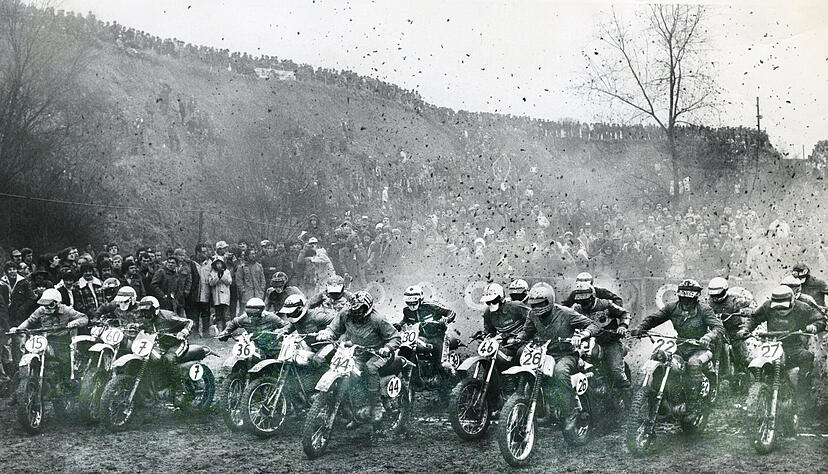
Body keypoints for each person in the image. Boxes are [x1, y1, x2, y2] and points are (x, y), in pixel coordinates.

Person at [631, 279, 724, 411]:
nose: (686, 302)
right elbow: (654, 318)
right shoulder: (672, 307)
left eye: (689, 299)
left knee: (694, 364)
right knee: (667, 363)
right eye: (683, 298)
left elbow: (718, 327)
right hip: (680, 346)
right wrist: (641, 327)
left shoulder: (704, 309)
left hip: (700, 348)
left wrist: (707, 337)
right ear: (679, 295)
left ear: (695, 298)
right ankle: (670, 399)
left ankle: (692, 405)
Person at [516, 283, 596, 430]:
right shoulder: (532, 314)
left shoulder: (565, 313)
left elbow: (592, 325)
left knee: (560, 372)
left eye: (541, 304)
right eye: (534, 304)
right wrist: (519, 337)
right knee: (524, 362)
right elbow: (527, 331)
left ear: (549, 301)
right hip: (544, 354)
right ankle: (532, 406)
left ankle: (571, 410)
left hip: (566, 354)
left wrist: (583, 335)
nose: (537, 307)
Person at [316, 291, 401, 422]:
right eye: (354, 309)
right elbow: (334, 328)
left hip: (377, 353)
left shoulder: (378, 319)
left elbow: (395, 337)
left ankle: (376, 406)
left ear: (367, 308)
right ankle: (350, 407)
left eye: (360, 309)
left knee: (370, 368)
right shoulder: (345, 314)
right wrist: (326, 333)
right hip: (356, 352)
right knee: (343, 371)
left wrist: (387, 348)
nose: (356, 313)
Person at [738, 285, 825, 404]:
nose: (780, 310)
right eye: (777, 308)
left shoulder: (802, 308)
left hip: (793, 346)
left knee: (807, 357)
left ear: (792, 301)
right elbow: (754, 318)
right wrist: (745, 329)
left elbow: (820, 319)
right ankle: (761, 393)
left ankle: (802, 398)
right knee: (752, 360)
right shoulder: (767, 306)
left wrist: (814, 326)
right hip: (770, 344)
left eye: (783, 307)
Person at [10, 288, 89, 388]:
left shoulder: (66, 310)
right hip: (44, 339)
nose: (46, 307)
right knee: (29, 358)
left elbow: (84, 318)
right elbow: (29, 321)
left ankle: (65, 385)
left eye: (50, 304)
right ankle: (21, 388)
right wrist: (18, 329)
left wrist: (74, 323)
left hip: (61, 340)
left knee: (64, 361)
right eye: (45, 305)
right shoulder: (41, 310)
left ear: (56, 303)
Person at [569, 280, 632, 402]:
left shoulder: (605, 305)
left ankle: (629, 402)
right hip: (586, 342)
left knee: (616, 371)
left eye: (586, 300)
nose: (583, 303)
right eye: (580, 301)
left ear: (592, 297)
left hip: (609, 341)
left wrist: (622, 326)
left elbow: (625, 313)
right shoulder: (575, 309)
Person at [479, 282, 529, 407]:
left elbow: (533, 319)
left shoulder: (516, 306)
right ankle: (495, 399)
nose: (490, 304)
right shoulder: (488, 313)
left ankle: (521, 389)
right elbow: (489, 331)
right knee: (489, 359)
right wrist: (486, 336)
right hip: (506, 344)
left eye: (493, 301)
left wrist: (522, 335)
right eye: (488, 302)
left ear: (501, 298)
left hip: (524, 342)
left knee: (520, 354)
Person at [400, 285, 457, 371]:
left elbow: (451, 312)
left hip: (439, 337)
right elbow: (405, 321)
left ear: (420, 300)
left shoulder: (431, 306)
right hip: (422, 337)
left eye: (414, 302)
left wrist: (446, 319)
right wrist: (397, 325)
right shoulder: (407, 311)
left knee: (441, 365)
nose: (411, 305)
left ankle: (451, 377)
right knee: (413, 350)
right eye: (408, 303)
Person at [706, 277, 755, 375]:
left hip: (734, 328)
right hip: (717, 330)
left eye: (718, 294)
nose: (715, 297)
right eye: (713, 295)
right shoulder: (708, 301)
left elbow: (752, 305)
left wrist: (745, 312)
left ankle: (744, 370)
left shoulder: (735, 299)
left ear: (725, 290)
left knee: (739, 347)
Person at [217, 297, 286, 357]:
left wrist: (280, 332)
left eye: (254, 315)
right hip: (252, 345)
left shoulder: (271, 318)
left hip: (270, 345)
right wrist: (225, 332)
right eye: (249, 314)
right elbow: (234, 322)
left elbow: (285, 326)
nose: (251, 318)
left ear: (261, 311)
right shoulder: (244, 318)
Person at [1, 261, 37, 327]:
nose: (12, 271)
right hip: (6, 313)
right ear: (6, 272)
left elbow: (32, 298)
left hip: (21, 313)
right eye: (10, 270)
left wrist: (22, 308)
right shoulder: (2, 283)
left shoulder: (23, 282)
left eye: (14, 269)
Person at [208, 256, 232, 334]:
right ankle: (220, 330)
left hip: (225, 297)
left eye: (220, 263)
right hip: (217, 297)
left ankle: (227, 331)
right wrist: (218, 277)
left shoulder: (227, 272)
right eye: (217, 263)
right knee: (218, 315)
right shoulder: (212, 273)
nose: (218, 265)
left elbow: (229, 282)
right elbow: (211, 283)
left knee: (226, 314)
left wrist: (222, 276)